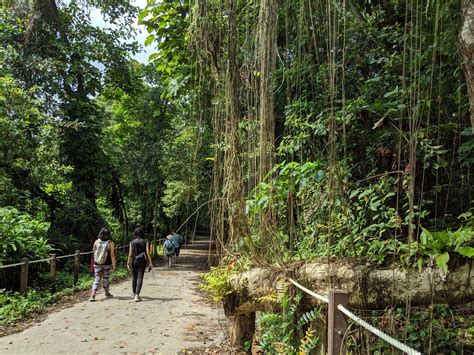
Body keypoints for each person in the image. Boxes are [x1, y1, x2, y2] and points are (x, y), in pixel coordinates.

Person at [127, 227, 153, 302]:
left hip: (134, 260)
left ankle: (134, 293)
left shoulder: (132, 242)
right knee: (140, 277)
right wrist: (150, 263)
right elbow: (148, 253)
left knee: (134, 277)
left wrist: (128, 263)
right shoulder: (146, 241)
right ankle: (137, 295)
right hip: (143, 261)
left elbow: (130, 254)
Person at [90, 227, 116, 302]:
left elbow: (94, 253)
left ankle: (93, 295)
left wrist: (93, 264)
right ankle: (107, 293)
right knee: (106, 278)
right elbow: (112, 255)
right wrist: (114, 265)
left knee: (97, 279)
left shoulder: (96, 242)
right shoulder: (110, 243)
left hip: (97, 263)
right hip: (106, 264)